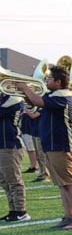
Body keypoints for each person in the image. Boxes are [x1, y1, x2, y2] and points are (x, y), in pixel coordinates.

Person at [17, 65, 72, 229]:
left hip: (63, 145)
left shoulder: (63, 95)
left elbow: (37, 101)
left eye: (49, 78)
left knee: (70, 183)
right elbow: (35, 102)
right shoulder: (54, 95)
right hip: (53, 145)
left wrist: (24, 87)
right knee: (62, 184)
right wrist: (23, 92)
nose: (46, 80)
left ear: (58, 81)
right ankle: (68, 216)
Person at [0, 90, 29, 221]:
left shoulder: (14, 100)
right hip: (2, 145)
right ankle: (13, 210)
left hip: (11, 145)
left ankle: (21, 211)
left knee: (13, 180)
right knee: (4, 181)